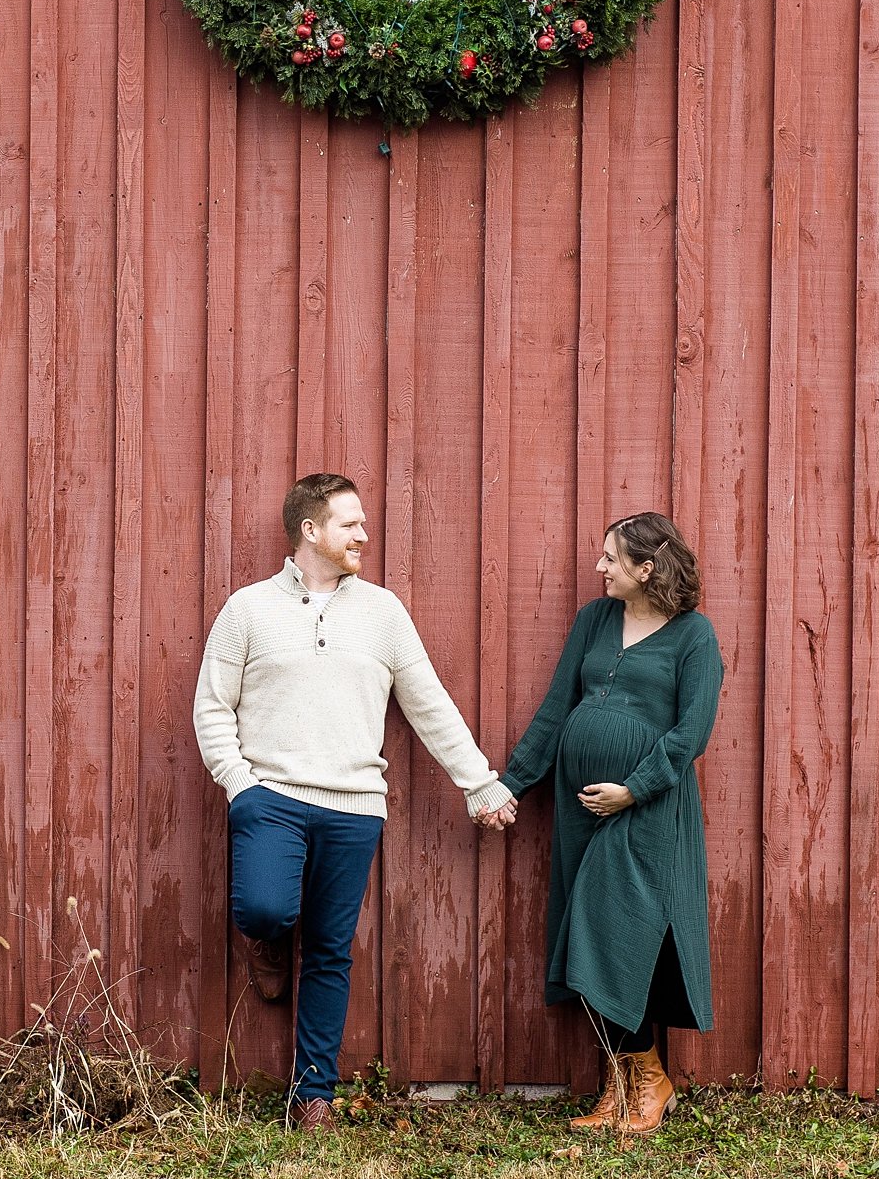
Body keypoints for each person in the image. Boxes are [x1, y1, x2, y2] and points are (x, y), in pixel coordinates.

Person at [193, 472, 518, 1129]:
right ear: (310, 529)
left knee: (332, 951)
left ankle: (313, 1094)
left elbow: (428, 703)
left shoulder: (382, 613)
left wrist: (479, 780)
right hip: (271, 797)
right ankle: (268, 938)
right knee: (264, 905)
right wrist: (240, 783)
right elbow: (211, 705)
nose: (364, 533)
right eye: (351, 523)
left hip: (355, 805)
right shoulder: (248, 609)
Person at [495, 512, 721, 1137]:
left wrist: (634, 789)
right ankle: (620, 1087)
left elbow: (691, 733)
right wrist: (509, 784)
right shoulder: (595, 621)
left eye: (610, 559)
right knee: (592, 931)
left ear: (646, 569)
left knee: (623, 930)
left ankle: (650, 1078)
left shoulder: (693, 635)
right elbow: (556, 707)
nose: (599, 568)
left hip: (647, 810)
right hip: (581, 809)